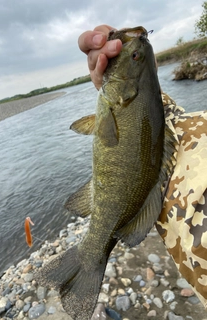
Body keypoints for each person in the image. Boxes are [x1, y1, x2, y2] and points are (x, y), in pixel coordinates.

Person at [78, 25, 207, 309]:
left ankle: (90, 256)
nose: (134, 50)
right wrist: (146, 81)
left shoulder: (120, 99)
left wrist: (139, 71)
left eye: (134, 57)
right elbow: (156, 131)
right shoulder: (124, 97)